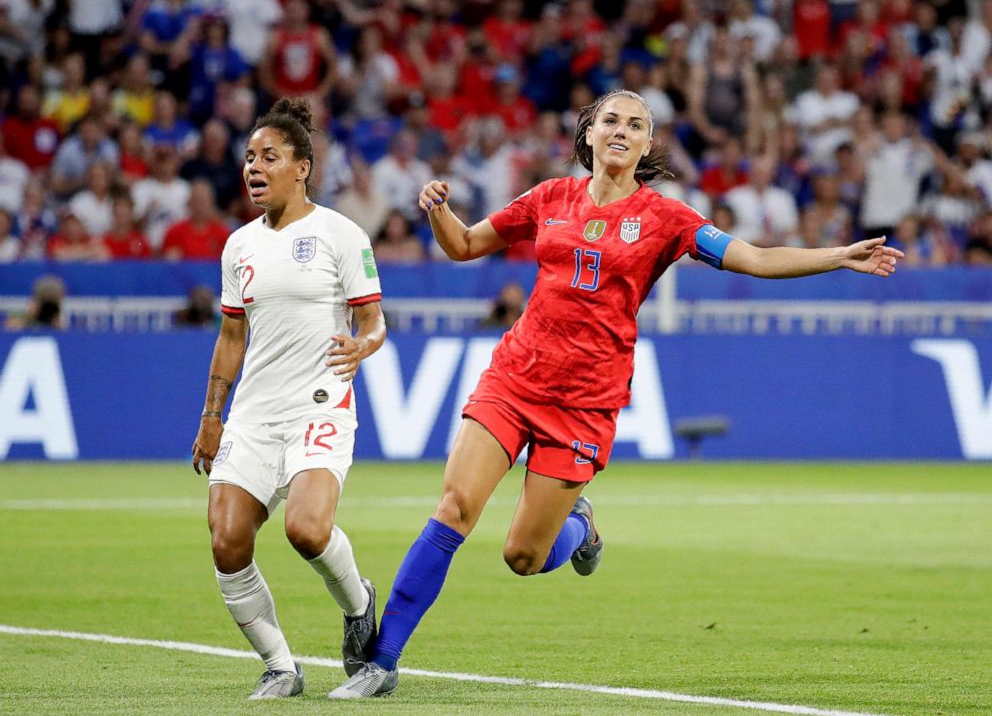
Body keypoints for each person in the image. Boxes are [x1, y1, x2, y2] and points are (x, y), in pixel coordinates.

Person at [328, 89, 904, 699]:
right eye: (611, 121)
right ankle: (382, 662)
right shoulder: (549, 197)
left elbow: (755, 258)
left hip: (585, 401)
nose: (622, 130)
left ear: (647, 144)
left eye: (636, 124)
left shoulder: (667, 218)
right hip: (515, 377)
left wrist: (838, 256)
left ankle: (581, 529)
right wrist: (438, 211)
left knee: (524, 556)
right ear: (590, 133)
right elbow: (466, 245)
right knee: (453, 508)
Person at [190, 97, 386, 700]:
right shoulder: (239, 246)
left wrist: (363, 347)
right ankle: (280, 666)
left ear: (301, 166)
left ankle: (358, 605)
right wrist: (211, 418)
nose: (253, 167)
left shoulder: (339, 234)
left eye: (268, 157)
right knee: (226, 540)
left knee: (306, 529)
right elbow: (231, 336)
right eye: (249, 158)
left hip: (319, 405)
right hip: (253, 414)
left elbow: (375, 322)